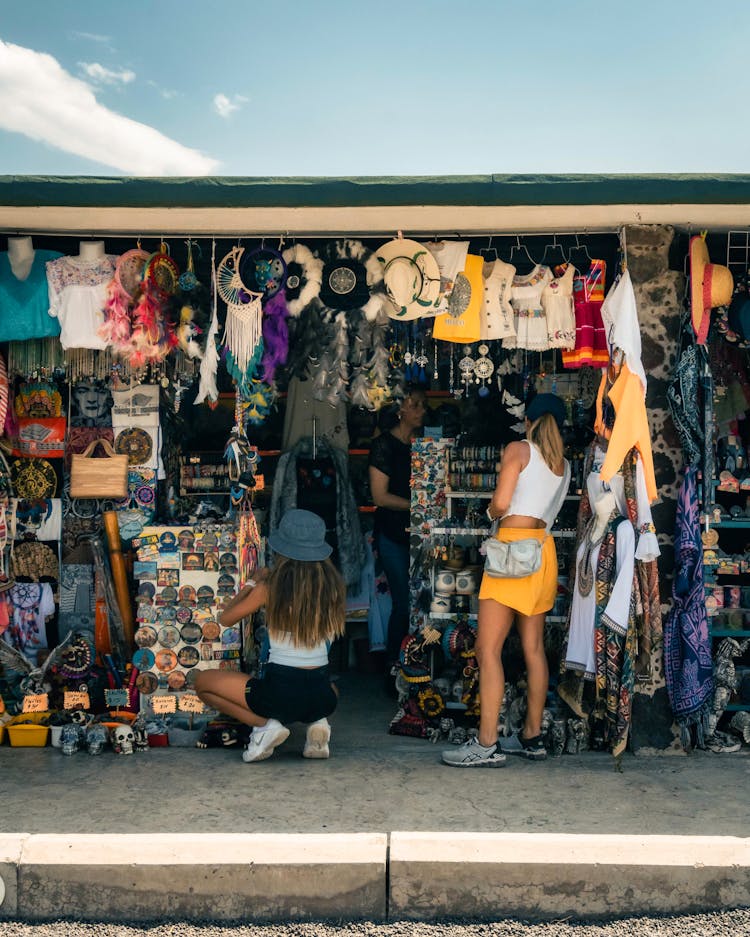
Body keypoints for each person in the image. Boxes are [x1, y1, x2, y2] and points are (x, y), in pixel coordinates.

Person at [442, 393, 571, 768]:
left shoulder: (518, 449)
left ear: (527, 421)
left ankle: (486, 743)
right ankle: (532, 736)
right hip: (540, 554)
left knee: (488, 650)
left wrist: (490, 512)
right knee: (533, 649)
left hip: (510, 554)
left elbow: (501, 502)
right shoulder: (561, 465)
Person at [194, 508, 345, 762]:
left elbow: (226, 618)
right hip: (323, 698)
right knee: (324, 687)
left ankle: (266, 726)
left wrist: (252, 584)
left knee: (203, 684)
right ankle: (318, 724)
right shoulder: (334, 588)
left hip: (280, 696)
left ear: (282, 550)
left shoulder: (270, 588)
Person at [368, 385, 427, 674]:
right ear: (400, 409)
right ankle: (395, 664)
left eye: (422, 405)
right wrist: (417, 505)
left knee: (425, 600)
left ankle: (419, 660)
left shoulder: (424, 443)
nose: (421, 410)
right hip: (393, 533)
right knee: (404, 602)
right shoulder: (383, 446)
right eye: (415, 405)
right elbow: (379, 497)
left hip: (422, 533)